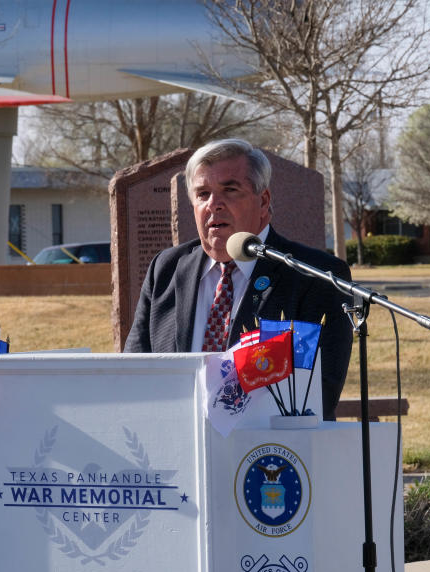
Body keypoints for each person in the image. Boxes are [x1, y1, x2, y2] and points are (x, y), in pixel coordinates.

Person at [124, 138, 353, 419]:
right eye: (202, 194)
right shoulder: (166, 270)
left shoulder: (315, 277)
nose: (214, 205)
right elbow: (132, 376)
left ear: (263, 201)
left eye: (229, 190)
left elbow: (319, 393)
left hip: (268, 455)